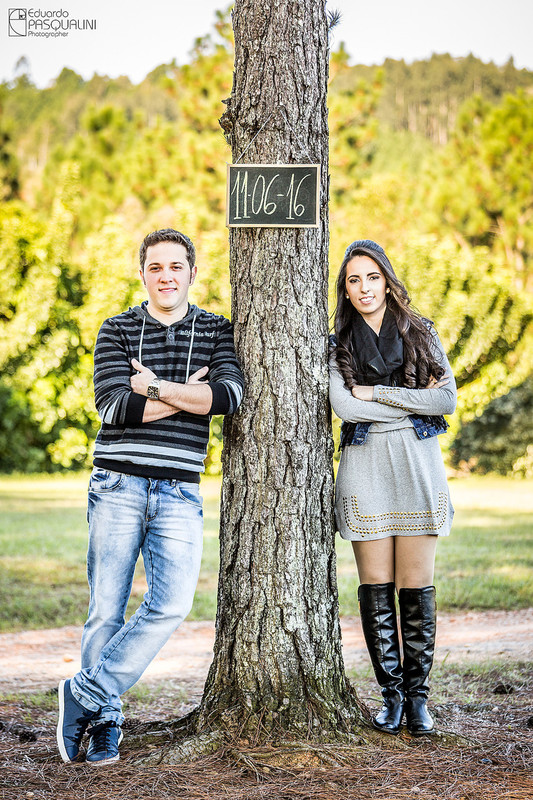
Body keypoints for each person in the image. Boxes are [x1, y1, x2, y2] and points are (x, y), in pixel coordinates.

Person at [56, 228, 243, 765]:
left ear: (192, 273)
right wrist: (190, 394)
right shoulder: (116, 329)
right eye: (155, 267)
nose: (166, 276)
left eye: (175, 266)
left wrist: (155, 387)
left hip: (180, 490)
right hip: (117, 483)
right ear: (142, 274)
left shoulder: (216, 330)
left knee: (173, 604)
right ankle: (105, 722)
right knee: (106, 610)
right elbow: (114, 407)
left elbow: (228, 397)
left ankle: (85, 692)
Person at [329, 239, 456, 736]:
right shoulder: (337, 343)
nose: (364, 288)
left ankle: (420, 698)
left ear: (387, 280)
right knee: (376, 589)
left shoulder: (423, 332)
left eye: (372, 277)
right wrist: (409, 399)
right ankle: (393, 697)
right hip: (365, 468)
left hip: (417, 466)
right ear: (345, 289)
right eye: (354, 280)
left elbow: (444, 401)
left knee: (416, 588)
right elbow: (346, 407)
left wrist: (376, 393)